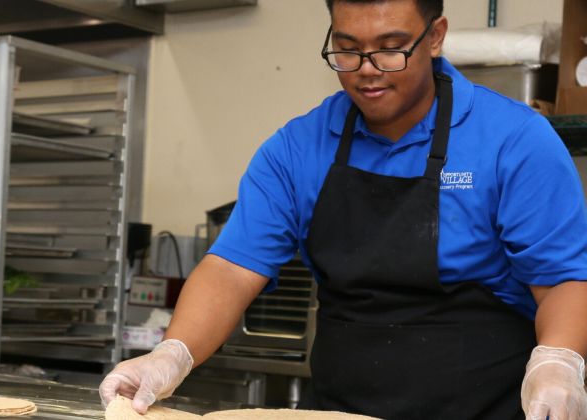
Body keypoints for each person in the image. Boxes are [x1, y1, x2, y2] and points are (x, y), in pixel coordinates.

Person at [100, 0, 587, 418]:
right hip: (340, 406)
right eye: (347, 48)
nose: (367, 68)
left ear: (435, 36)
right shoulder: (297, 147)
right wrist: (171, 354)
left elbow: (565, 278)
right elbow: (231, 268)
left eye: (391, 47)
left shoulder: (514, 140)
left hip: (481, 406)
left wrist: (559, 362)